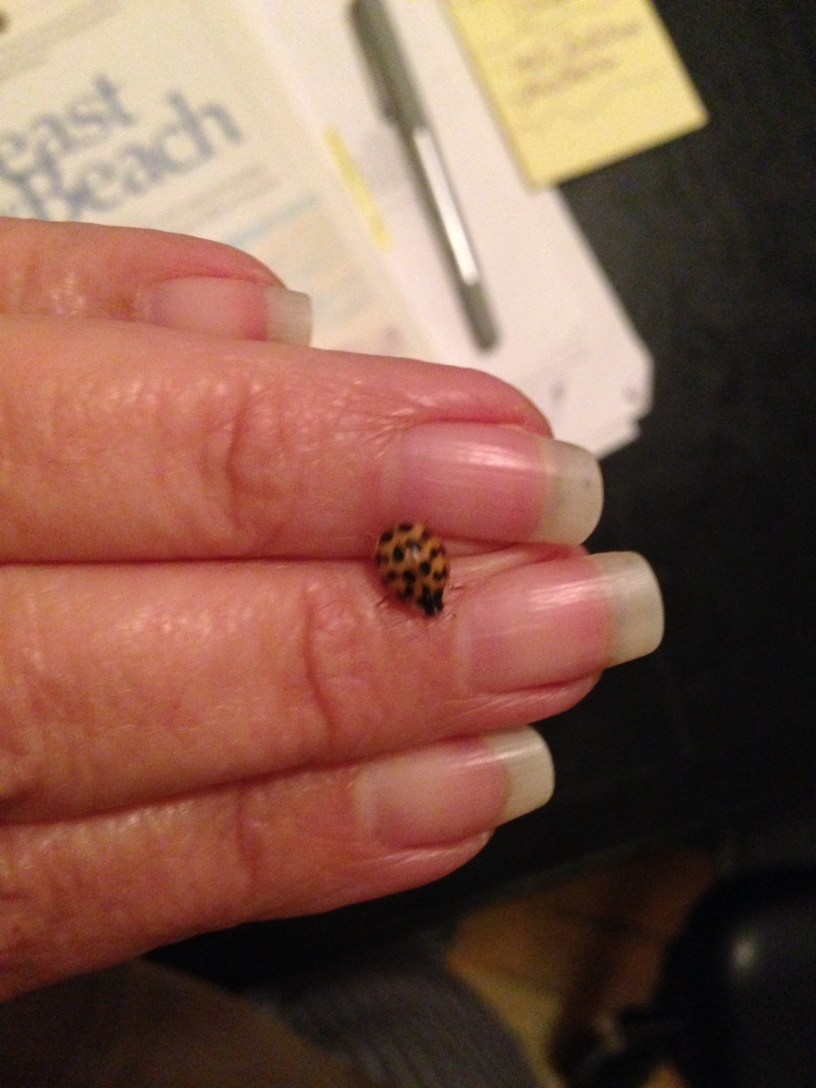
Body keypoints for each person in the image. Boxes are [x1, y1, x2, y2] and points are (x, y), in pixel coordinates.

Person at [0, 217, 663, 1003]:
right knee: (393, 1002)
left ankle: (417, 956)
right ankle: (419, 955)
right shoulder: (416, 571)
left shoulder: (414, 571)